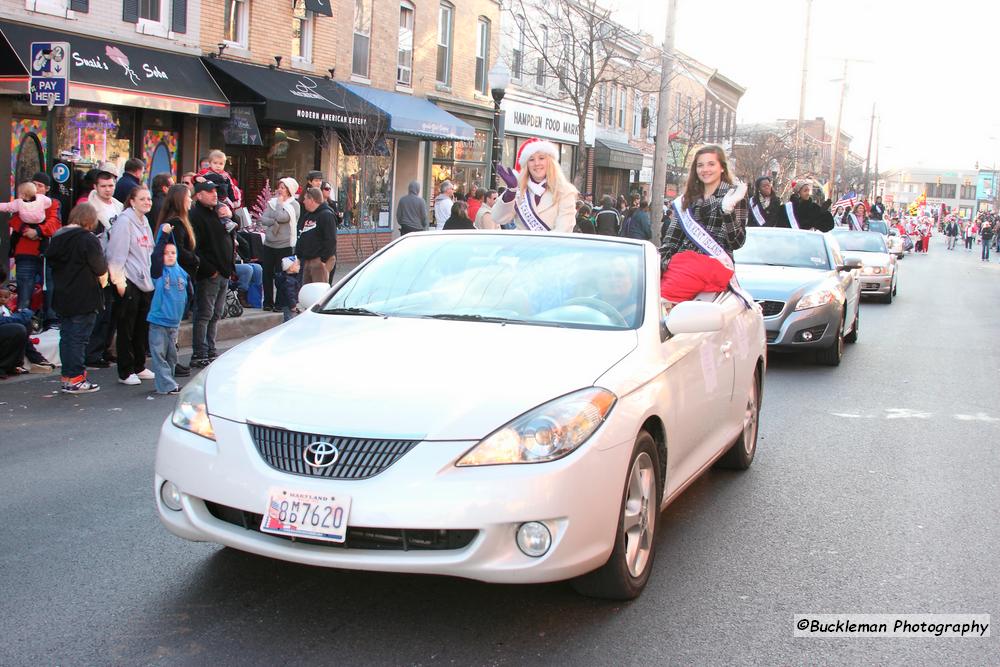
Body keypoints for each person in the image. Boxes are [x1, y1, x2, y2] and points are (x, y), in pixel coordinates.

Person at [659, 144, 748, 304]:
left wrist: (727, 212)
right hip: (682, 264)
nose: (705, 169)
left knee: (662, 298)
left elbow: (737, 242)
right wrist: (660, 266)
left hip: (714, 264)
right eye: (700, 165)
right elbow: (671, 241)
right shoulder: (687, 198)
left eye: (711, 164)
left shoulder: (735, 195)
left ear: (722, 167)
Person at [45, 203, 108, 393]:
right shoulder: (87, 239)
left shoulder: (57, 237)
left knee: (66, 337)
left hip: (62, 294)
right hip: (84, 295)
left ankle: (67, 376)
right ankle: (77, 378)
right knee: (79, 339)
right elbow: (99, 267)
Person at [106, 185, 155, 385]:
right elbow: (116, 254)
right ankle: (125, 370)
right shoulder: (124, 222)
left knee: (141, 327)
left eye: (149, 199)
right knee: (126, 327)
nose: (147, 202)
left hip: (144, 281)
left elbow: (148, 250)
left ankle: (139, 365)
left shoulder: (144, 222)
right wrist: (119, 281)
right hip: (128, 281)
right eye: (142, 199)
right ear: (132, 201)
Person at [189, 180, 236, 368]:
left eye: (215, 191)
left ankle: (210, 349)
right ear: (199, 195)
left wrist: (231, 215)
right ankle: (199, 351)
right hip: (210, 273)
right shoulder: (196, 215)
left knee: (216, 313)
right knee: (204, 314)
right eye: (209, 192)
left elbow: (231, 229)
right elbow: (195, 247)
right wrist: (211, 270)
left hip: (224, 271)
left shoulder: (217, 211)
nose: (214, 194)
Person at [493, 138, 578, 232]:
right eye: (531, 159)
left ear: (550, 162)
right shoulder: (518, 188)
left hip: (551, 246)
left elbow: (564, 229)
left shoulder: (565, 191)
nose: (537, 163)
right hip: (520, 245)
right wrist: (510, 192)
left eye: (541, 158)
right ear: (527, 165)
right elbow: (498, 218)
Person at [6, 180, 60, 313]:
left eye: (40, 185)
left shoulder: (52, 203)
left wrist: (38, 232)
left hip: (47, 253)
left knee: (50, 288)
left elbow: (55, 223)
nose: (35, 188)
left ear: (47, 188)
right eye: (34, 184)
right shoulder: (22, 201)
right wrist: (26, 231)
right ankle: (23, 320)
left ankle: (50, 320)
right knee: (24, 289)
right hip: (25, 252)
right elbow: (14, 219)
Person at [147, 225, 189, 395]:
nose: (170, 256)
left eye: (173, 253)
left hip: (174, 322)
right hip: (158, 321)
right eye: (166, 253)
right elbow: (156, 255)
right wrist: (163, 236)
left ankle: (168, 382)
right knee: (159, 355)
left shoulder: (181, 272)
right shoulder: (159, 272)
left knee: (171, 356)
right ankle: (166, 385)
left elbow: (188, 293)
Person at [258, 177, 299, 310]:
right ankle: (268, 302)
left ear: (289, 190)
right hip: (269, 243)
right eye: (279, 187)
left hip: (285, 245)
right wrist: (273, 220)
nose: (279, 190)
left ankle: (280, 303)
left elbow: (282, 217)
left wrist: (280, 205)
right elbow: (263, 219)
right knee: (267, 274)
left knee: (281, 276)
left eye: (283, 188)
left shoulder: (294, 205)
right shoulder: (272, 202)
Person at [296, 187, 338, 284]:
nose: (303, 201)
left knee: (319, 292)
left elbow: (331, 240)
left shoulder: (326, 215)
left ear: (312, 200)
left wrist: (323, 261)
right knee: (307, 292)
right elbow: (302, 236)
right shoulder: (308, 215)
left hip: (319, 260)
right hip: (307, 260)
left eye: (305, 199)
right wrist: (298, 255)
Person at [275, 255, 301, 322]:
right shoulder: (289, 281)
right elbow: (289, 294)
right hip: (288, 304)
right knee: (289, 320)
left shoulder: (286, 278)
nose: (299, 266)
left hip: (286, 303)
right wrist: (293, 305)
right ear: (291, 268)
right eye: (297, 265)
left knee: (288, 317)